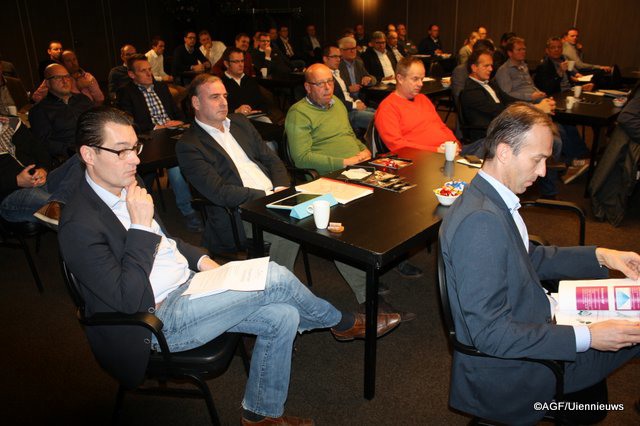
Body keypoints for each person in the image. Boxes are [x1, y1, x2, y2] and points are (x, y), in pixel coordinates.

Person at [58, 106, 401, 426]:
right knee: (274, 276)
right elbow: (127, 299)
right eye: (121, 151)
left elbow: (168, 243)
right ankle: (343, 323)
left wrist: (204, 261)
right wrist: (139, 227)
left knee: (284, 315)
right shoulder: (78, 224)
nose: (135, 159)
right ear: (89, 154)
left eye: (136, 148)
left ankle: (260, 416)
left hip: (190, 287)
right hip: (156, 321)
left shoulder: (129, 185)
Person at [439, 102, 640, 425]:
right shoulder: (481, 223)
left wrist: (603, 255)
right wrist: (589, 337)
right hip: (523, 365)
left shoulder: (491, 199)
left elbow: (528, 257)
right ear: (504, 152)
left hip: (537, 324)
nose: (544, 171)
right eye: (538, 159)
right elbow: (490, 334)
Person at [285, 64, 423, 311]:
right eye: (320, 83)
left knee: (397, 199)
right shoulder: (299, 114)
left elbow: (348, 135)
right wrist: (344, 162)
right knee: (361, 216)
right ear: (307, 87)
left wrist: (363, 149)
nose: (327, 87)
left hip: (358, 167)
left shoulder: (337, 104)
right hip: (330, 175)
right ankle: (368, 279)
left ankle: (393, 258)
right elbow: (301, 158)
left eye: (330, 82)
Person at [116, 54, 202, 233]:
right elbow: (130, 123)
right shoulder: (126, 92)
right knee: (176, 166)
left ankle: (207, 201)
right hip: (151, 138)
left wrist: (179, 122)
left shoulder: (161, 87)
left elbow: (177, 113)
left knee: (201, 153)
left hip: (175, 132)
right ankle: (188, 211)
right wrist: (158, 126)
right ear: (131, 74)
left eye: (149, 70)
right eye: (143, 71)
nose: (149, 74)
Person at [374, 56, 457, 152]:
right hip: (422, 157)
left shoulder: (423, 98)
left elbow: (441, 126)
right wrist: (436, 150)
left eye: (422, 79)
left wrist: (455, 144)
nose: (420, 84)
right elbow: (397, 145)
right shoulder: (388, 108)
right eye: (415, 79)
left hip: (446, 152)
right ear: (400, 79)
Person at [29, 63, 94, 161]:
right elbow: (45, 142)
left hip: (95, 146)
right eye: (58, 78)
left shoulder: (83, 100)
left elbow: (98, 122)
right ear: (47, 83)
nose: (65, 81)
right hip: (70, 157)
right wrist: (69, 150)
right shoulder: (39, 110)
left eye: (67, 76)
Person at [220, 48, 284, 144]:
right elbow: (218, 110)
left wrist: (257, 111)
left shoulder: (250, 80)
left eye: (242, 61)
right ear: (226, 64)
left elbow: (262, 102)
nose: (241, 64)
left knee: (269, 126)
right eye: (236, 62)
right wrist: (236, 111)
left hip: (255, 117)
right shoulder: (220, 84)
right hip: (233, 121)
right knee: (264, 137)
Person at [323, 46, 374, 133]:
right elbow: (332, 100)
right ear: (325, 59)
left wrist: (357, 101)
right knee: (379, 119)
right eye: (334, 56)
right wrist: (354, 105)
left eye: (339, 56)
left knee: (382, 113)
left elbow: (347, 92)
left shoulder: (337, 72)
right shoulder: (323, 76)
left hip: (352, 106)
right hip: (344, 112)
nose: (338, 59)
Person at [32, 50, 104, 105]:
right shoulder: (55, 79)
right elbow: (36, 97)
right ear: (62, 64)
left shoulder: (87, 76)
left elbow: (100, 99)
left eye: (74, 59)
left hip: (88, 113)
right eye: (68, 61)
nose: (73, 63)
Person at [494, 37, 547, 102]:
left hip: (534, 99)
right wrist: (530, 97)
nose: (523, 52)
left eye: (524, 49)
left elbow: (530, 86)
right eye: (519, 50)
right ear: (510, 53)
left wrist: (539, 93)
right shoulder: (504, 70)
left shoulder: (524, 66)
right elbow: (507, 94)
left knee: (552, 103)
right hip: (521, 103)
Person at [337, 36, 376, 101]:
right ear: (341, 51)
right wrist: (348, 89)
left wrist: (369, 79)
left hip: (361, 99)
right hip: (345, 101)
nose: (353, 51)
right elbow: (334, 90)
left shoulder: (358, 62)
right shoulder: (337, 65)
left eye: (354, 48)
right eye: (349, 49)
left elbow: (373, 79)